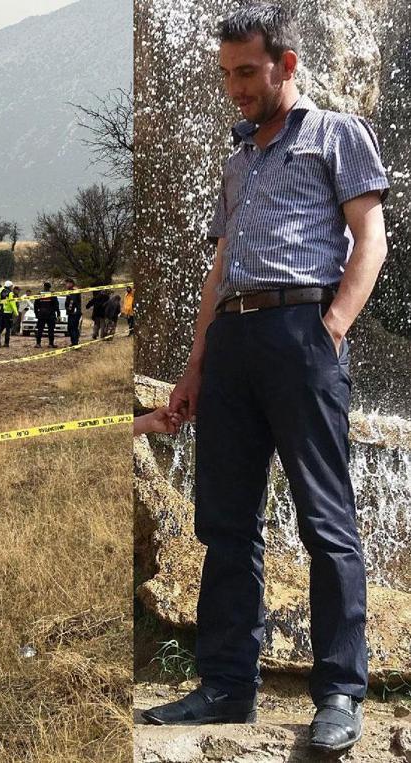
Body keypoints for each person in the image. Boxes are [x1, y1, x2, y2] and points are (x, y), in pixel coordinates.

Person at [141, 5, 389, 754]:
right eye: (226, 75)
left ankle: (340, 692)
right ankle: (226, 685)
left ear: (286, 65)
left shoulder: (336, 134)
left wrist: (332, 329)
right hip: (234, 339)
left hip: (300, 329)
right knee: (225, 521)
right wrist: (194, 365)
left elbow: (370, 239)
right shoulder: (237, 160)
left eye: (247, 72)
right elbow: (219, 271)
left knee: (326, 521)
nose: (235, 88)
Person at [0, 280, 18, 347]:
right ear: (10, 286)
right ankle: (6, 343)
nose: (12, 288)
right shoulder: (10, 293)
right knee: (8, 329)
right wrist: (16, 313)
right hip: (8, 313)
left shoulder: (2, 291)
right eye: (12, 286)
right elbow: (12, 303)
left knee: (0, 327)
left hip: (1, 312)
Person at [33, 282, 59, 348]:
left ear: (44, 286)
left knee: (40, 330)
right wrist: (58, 314)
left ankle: (38, 344)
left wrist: (36, 313)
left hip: (42, 314)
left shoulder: (40, 294)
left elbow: (35, 305)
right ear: (50, 287)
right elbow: (56, 305)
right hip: (51, 314)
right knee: (51, 330)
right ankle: (51, 344)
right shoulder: (52, 294)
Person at [64, 277, 82, 346]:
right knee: (71, 328)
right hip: (73, 312)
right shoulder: (70, 290)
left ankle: (75, 343)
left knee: (73, 328)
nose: (66, 285)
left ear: (71, 283)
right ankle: (74, 342)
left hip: (74, 312)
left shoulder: (74, 290)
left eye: (67, 284)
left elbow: (72, 301)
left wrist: (69, 309)